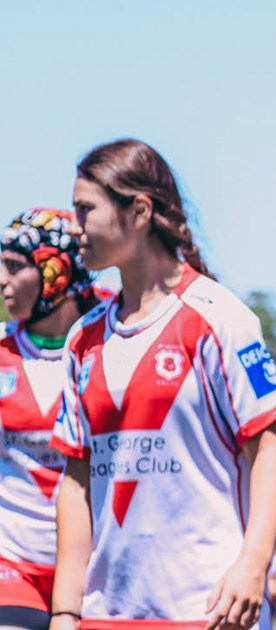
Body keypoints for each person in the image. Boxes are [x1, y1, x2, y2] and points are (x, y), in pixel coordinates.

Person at [50, 138, 276, 629]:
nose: (73, 227)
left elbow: (270, 450)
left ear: (139, 210)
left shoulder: (218, 317)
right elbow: (75, 481)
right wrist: (65, 609)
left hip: (207, 612)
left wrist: (253, 565)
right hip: (106, 616)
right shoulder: (83, 339)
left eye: (84, 210)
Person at [0, 209, 103, 630]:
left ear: (55, 270)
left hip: (93, 564)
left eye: (13, 266)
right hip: (13, 561)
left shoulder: (110, 343)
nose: (2, 279)